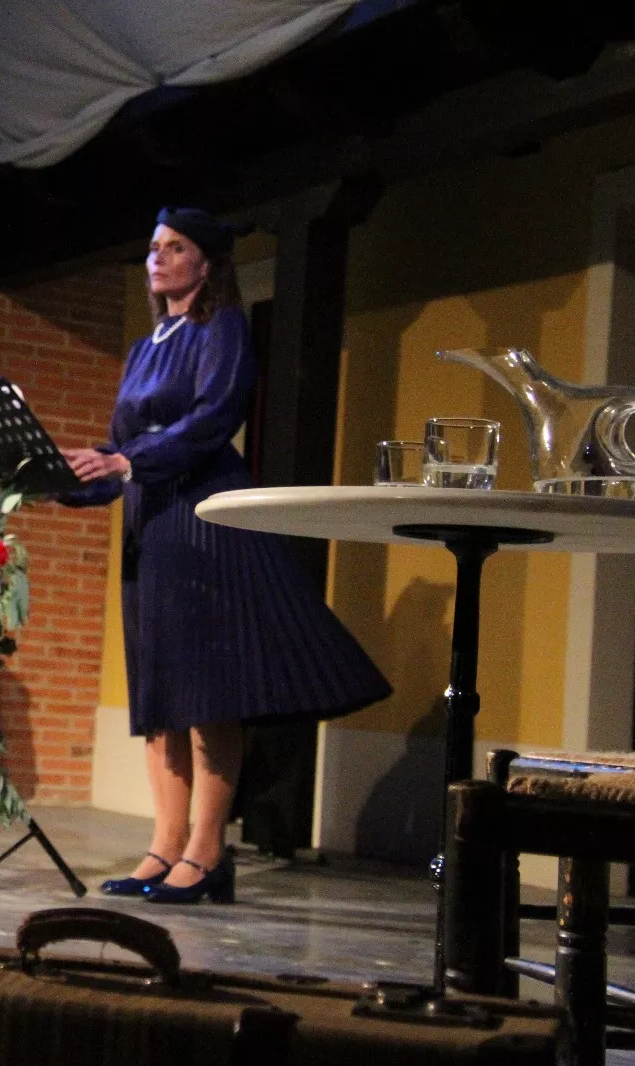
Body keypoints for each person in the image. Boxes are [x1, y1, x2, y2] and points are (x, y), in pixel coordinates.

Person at [60, 207, 390, 903]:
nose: (157, 259)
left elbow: (212, 420)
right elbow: (126, 448)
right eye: (153, 247)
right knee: (160, 693)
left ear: (206, 264)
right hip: (151, 524)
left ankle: (207, 854)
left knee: (208, 691)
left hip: (201, 519)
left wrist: (124, 461)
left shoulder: (222, 327)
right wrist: (74, 475)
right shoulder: (147, 344)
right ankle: (164, 846)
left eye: (174, 248)